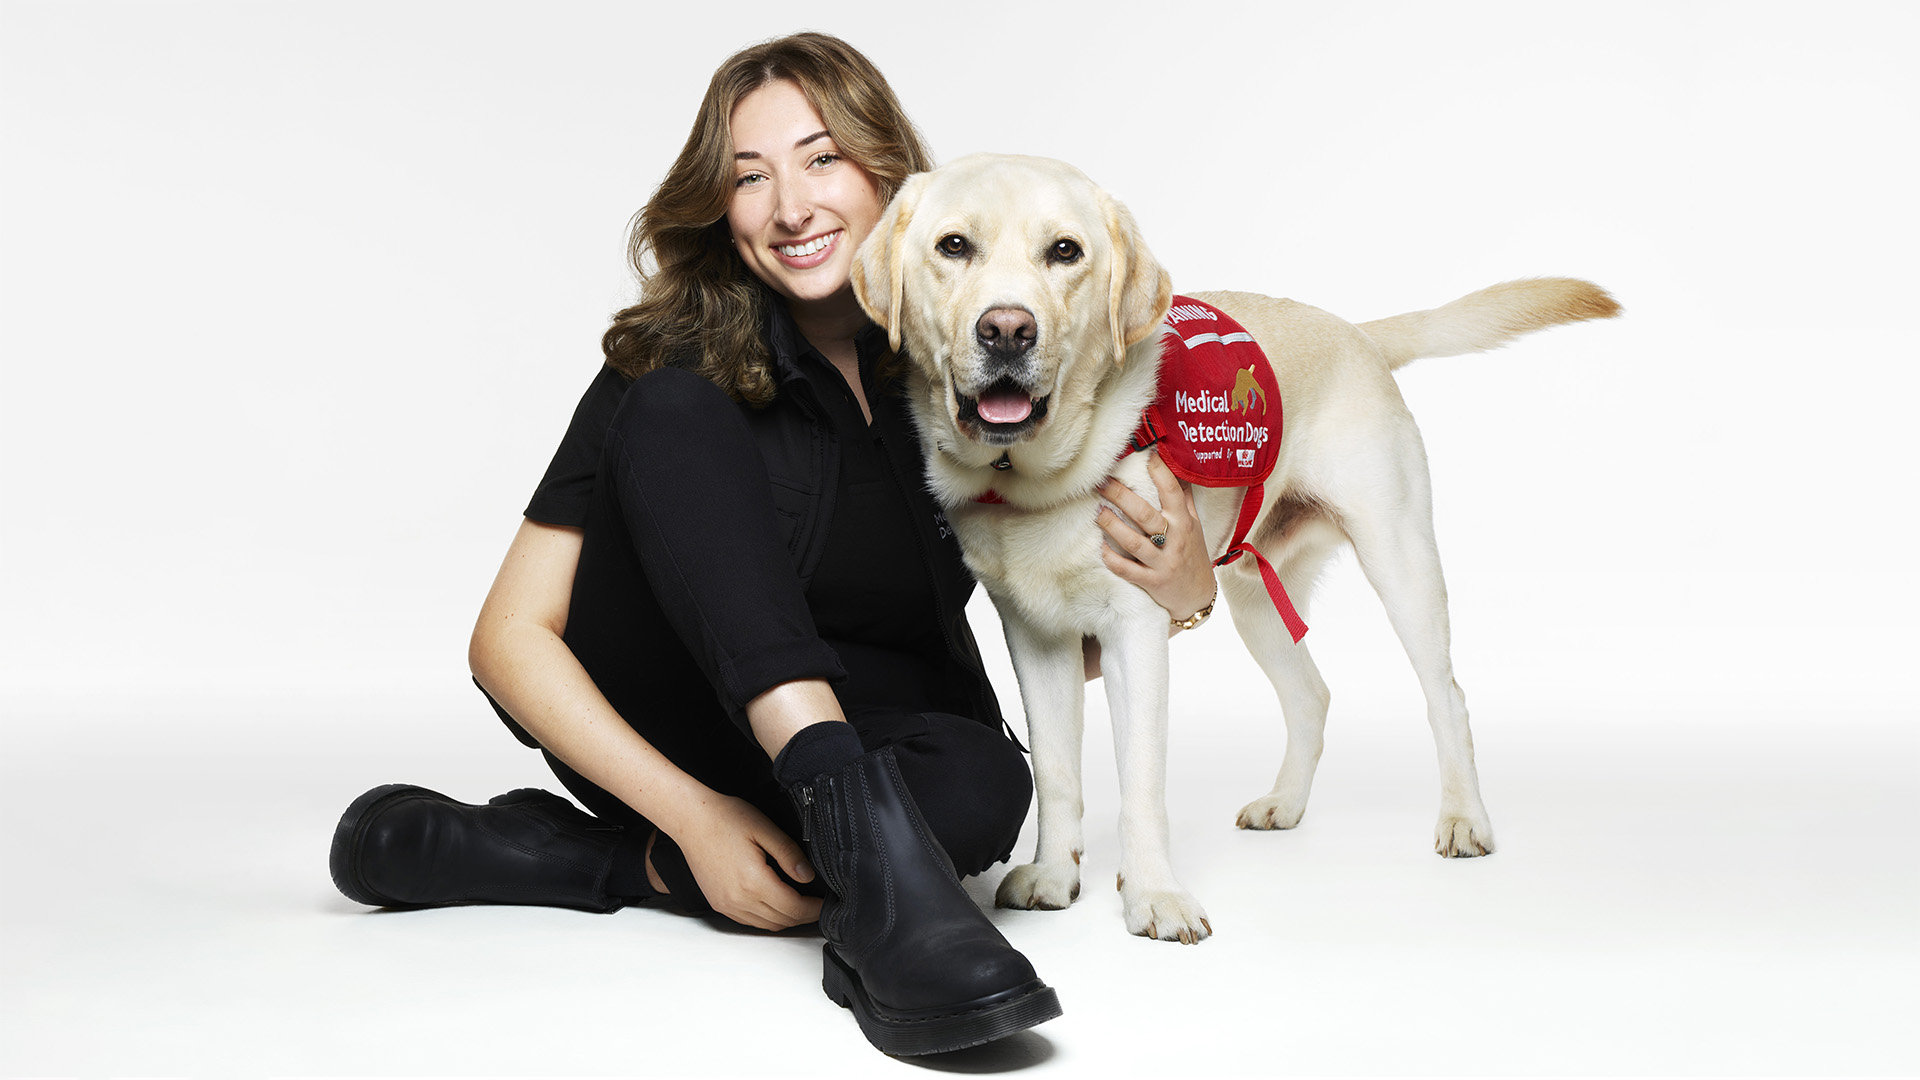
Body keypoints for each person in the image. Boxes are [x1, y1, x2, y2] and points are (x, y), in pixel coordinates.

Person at [327, 32, 1217, 1056]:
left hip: (867, 739)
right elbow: (508, 640)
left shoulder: (957, 375)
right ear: (721, 206)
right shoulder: (668, 361)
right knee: (673, 411)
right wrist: (696, 816)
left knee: (987, 788)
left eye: (822, 159)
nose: (791, 206)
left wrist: (1184, 589)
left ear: (892, 175)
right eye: (750, 176)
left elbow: (1063, 615)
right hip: (680, 733)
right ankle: (869, 893)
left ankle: (603, 863)